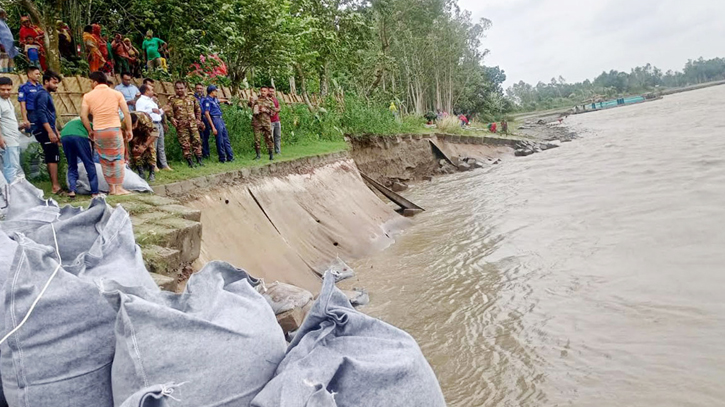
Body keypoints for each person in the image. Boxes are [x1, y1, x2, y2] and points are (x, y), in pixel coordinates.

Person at [81, 71, 133, 196]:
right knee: (118, 159)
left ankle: (111, 189)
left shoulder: (87, 96)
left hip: (99, 130)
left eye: (90, 82)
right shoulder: (116, 93)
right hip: (114, 129)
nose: (90, 85)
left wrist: (90, 130)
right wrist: (129, 129)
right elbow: (126, 113)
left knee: (104, 160)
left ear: (95, 81)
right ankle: (119, 187)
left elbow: (83, 116)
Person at [33, 70, 63, 195]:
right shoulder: (42, 94)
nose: (56, 86)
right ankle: (55, 187)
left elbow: (51, 116)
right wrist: (50, 132)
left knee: (54, 156)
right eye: (54, 83)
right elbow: (41, 114)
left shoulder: (47, 94)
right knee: (52, 156)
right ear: (46, 82)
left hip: (49, 129)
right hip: (43, 130)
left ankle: (56, 185)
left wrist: (56, 131)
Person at [166, 81, 204, 167]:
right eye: (177, 88)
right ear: (175, 89)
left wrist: (198, 120)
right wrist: (172, 119)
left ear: (185, 88)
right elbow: (168, 111)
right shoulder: (172, 100)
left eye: (181, 88)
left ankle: (199, 159)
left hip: (193, 124)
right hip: (181, 125)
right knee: (185, 143)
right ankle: (190, 161)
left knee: (197, 141)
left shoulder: (191, 98)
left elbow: (198, 109)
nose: (179, 90)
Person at [60, 116, 98, 198]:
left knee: (72, 165)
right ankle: (95, 192)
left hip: (64, 136)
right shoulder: (90, 124)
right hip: (78, 136)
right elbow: (93, 140)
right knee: (89, 164)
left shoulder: (74, 120)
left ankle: (72, 190)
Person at [136, 83, 172, 171]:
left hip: (158, 123)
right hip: (151, 125)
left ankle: (164, 164)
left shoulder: (151, 100)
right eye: (151, 89)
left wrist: (163, 110)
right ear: (146, 91)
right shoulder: (141, 101)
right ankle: (153, 165)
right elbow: (139, 113)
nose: (153, 91)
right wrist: (151, 110)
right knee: (153, 146)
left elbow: (157, 112)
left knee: (161, 145)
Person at [0, 76, 27, 183]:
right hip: (7, 141)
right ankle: (11, 196)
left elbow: (7, 121)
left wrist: (20, 126)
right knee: (10, 169)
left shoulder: (8, 101)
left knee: (13, 167)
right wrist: (0, 138)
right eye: (2, 89)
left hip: (13, 140)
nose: (6, 92)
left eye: (8, 89)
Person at [203, 85, 234, 163]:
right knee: (219, 139)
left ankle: (230, 157)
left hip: (220, 119)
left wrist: (226, 101)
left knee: (226, 138)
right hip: (215, 119)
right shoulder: (207, 100)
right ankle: (222, 158)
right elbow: (207, 113)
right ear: (212, 91)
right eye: (216, 91)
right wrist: (213, 127)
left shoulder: (214, 99)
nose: (217, 92)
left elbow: (219, 100)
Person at [248, 86, 277, 160]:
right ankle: (258, 155)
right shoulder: (256, 100)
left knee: (269, 138)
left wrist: (266, 110)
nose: (263, 92)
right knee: (257, 139)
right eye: (262, 91)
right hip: (257, 122)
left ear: (267, 92)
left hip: (266, 122)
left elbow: (274, 112)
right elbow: (250, 105)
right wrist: (250, 101)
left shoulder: (270, 101)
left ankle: (271, 154)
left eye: (264, 91)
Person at [129, 112, 158, 182]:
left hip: (146, 132)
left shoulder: (144, 119)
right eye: (131, 126)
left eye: (134, 125)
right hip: (134, 134)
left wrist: (145, 146)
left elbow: (155, 133)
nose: (132, 127)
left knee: (151, 150)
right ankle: (141, 173)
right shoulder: (124, 121)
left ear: (137, 121)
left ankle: (152, 173)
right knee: (136, 150)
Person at [194, 83, 210, 158]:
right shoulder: (193, 98)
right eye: (197, 88)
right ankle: (202, 153)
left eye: (200, 88)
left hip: (205, 117)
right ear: (195, 89)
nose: (199, 90)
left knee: (206, 135)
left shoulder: (205, 98)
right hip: (197, 118)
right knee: (200, 136)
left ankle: (207, 152)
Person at [269, 86, 282, 154]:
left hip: (277, 120)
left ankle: (278, 151)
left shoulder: (275, 99)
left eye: (272, 91)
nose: (271, 93)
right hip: (270, 121)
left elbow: (279, 107)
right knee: (270, 137)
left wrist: (276, 110)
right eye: (270, 91)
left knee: (278, 136)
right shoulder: (267, 100)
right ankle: (270, 151)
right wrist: (276, 110)